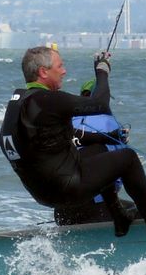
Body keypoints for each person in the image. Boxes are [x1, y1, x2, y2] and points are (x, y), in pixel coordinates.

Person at [0, 46, 146, 239]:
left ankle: (120, 217)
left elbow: (51, 137)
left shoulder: (19, 104)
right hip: (66, 189)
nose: (64, 71)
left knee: (97, 150)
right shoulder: (48, 100)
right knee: (127, 158)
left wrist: (106, 136)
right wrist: (102, 71)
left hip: (43, 193)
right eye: (60, 66)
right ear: (43, 72)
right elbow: (101, 104)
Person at [52, 78, 132, 226]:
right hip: (94, 208)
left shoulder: (64, 122)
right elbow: (121, 176)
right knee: (135, 209)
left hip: (61, 211)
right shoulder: (110, 123)